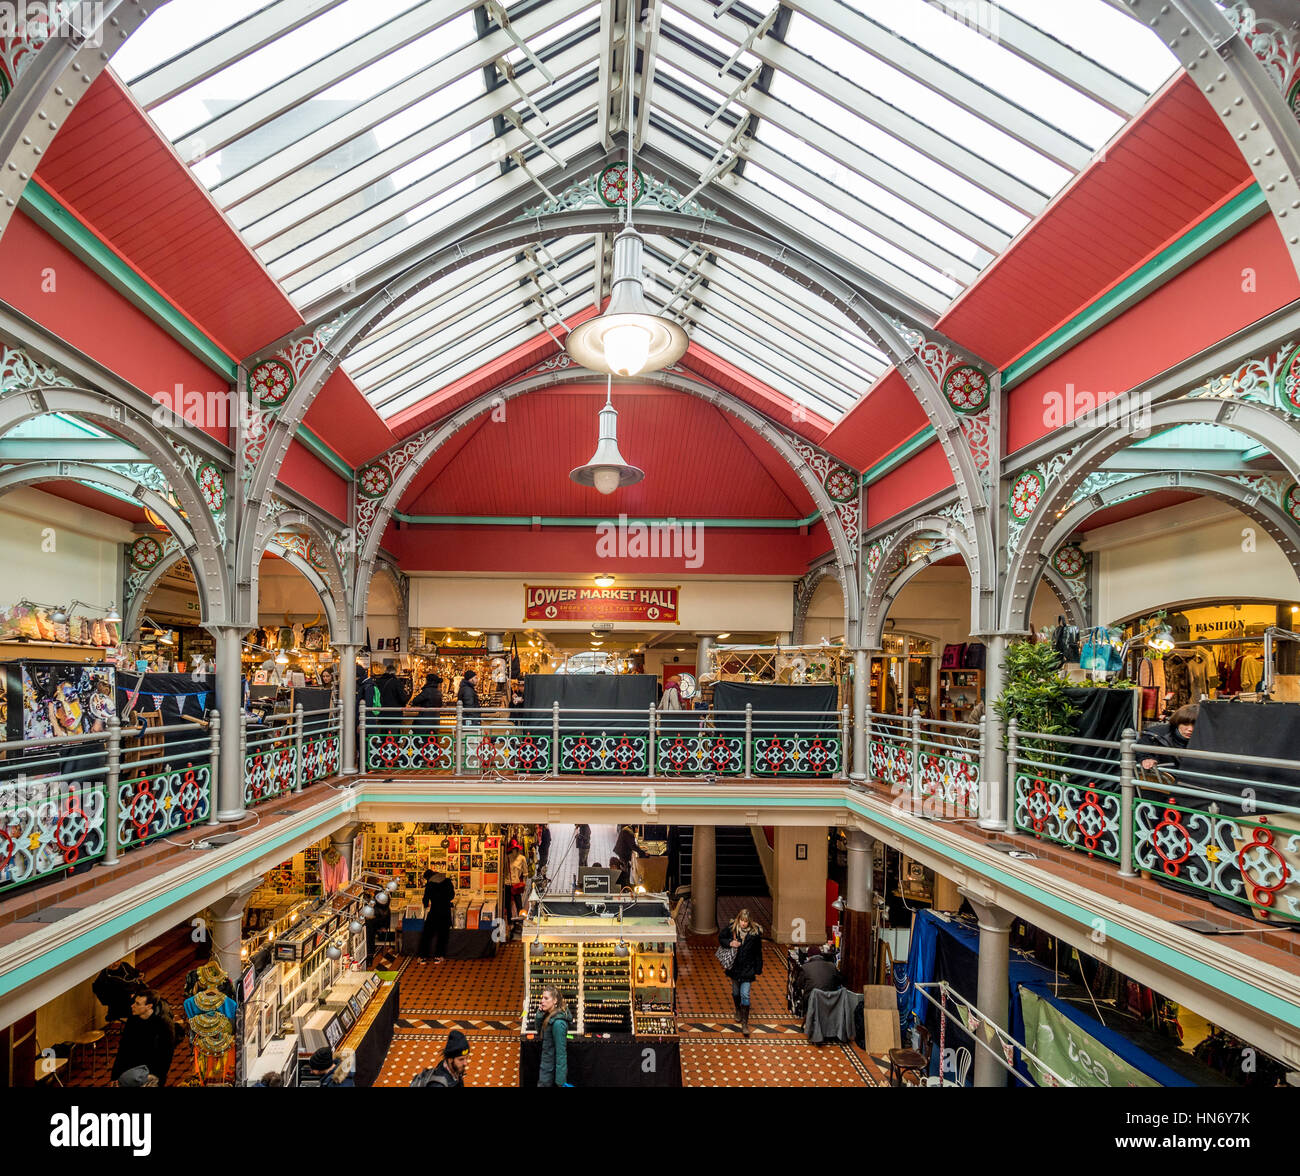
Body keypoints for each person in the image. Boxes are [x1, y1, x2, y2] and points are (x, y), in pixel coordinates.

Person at [111, 989, 176, 1086]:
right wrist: (115, 1076)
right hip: (133, 1068)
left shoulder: (164, 1024)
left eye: (137, 1004)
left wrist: (156, 1076)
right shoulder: (133, 1019)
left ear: (149, 1006)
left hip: (152, 1072)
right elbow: (124, 1048)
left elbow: (166, 1054)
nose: (132, 1006)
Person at [718, 908, 764, 1037]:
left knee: (745, 995)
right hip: (735, 967)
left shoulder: (754, 934)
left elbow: (758, 952)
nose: (743, 924)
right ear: (739, 919)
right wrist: (730, 943)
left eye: (746, 922)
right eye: (742, 921)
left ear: (749, 922)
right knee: (735, 992)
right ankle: (738, 1009)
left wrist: (758, 968)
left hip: (748, 969)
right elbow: (721, 938)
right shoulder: (732, 928)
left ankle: (745, 1023)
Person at [1137, 702, 1198, 773]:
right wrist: (1146, 759)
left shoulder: (1207, 739)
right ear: (1178, 722)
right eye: (1185, 724)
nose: (1190, 729)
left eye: (1195, 725)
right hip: (1164, 780)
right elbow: (1141, 751)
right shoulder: (1155, 735)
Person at [534, 984, 570, 1088]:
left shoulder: (558, 1024)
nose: (542, 1001)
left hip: (550, 1070)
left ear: (554, 1001)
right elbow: (539, 1031)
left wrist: (560, 1081)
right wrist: (539, 1014)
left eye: (546, 998)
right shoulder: (549, 1015)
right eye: (542, 998)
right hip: (546, 1067)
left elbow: (561, 1053)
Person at [418, 867, 455, 964]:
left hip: (434, 912)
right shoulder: (447, 881)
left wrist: (427, 905)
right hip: (445, 911)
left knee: (427, 934)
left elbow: (425, 899)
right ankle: (439, 956)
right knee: (443, 935)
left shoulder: (430, 884)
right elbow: (452, 895)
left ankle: (422, 956)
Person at [611, 824, 638, 889]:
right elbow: (632, 846)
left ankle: (626, 882)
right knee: (625, 866)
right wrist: (641, 852)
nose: (637, 831)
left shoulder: (627, 830)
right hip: (623, 852)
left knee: (626, 866)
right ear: (636, 827)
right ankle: (626, 883)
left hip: (622, 852)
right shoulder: (629, 832)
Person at [508, 841, 529, 921]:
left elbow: (525, 872)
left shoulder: (522, 858)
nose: (514, 851)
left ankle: (520, 918)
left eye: (516, 849)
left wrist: (524, 883)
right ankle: (510, 920)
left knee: (518, 901)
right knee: (508, 903)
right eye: (513, 849)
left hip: (516, 883)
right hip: (507, 883)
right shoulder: (508, 857)